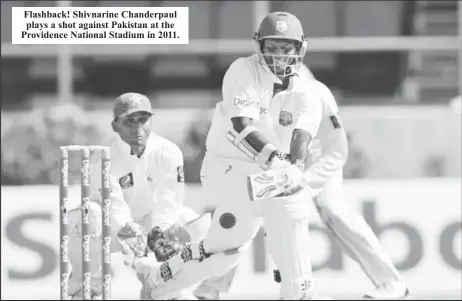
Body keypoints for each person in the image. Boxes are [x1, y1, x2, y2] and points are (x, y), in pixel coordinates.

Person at [123, 12, 331, 300]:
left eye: (287, 49)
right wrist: (280, 166)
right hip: (226, 169)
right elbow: (241, 126)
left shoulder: (308, 91)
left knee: (226, 248)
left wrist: (294, 167)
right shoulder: (242, 70)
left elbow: (302, 136)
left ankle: (158, 283)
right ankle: (299, 292)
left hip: (267, 175)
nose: (279, 56)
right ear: (260, 46)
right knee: (285, 197)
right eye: (272, 48)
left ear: (300, 49)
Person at [65, 92, 204, 299]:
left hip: (153, 225)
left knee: (192, 220)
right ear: (115, 126)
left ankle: (169, 288)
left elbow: (169, 203)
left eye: (143, 119)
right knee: (85, 215)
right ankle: (86, 289)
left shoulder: (169, 151)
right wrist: (139, 256)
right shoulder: (101, 158)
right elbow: (115, 209)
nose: (137, 126)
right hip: (113, 229)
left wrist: (159, 240)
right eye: (129, 121)